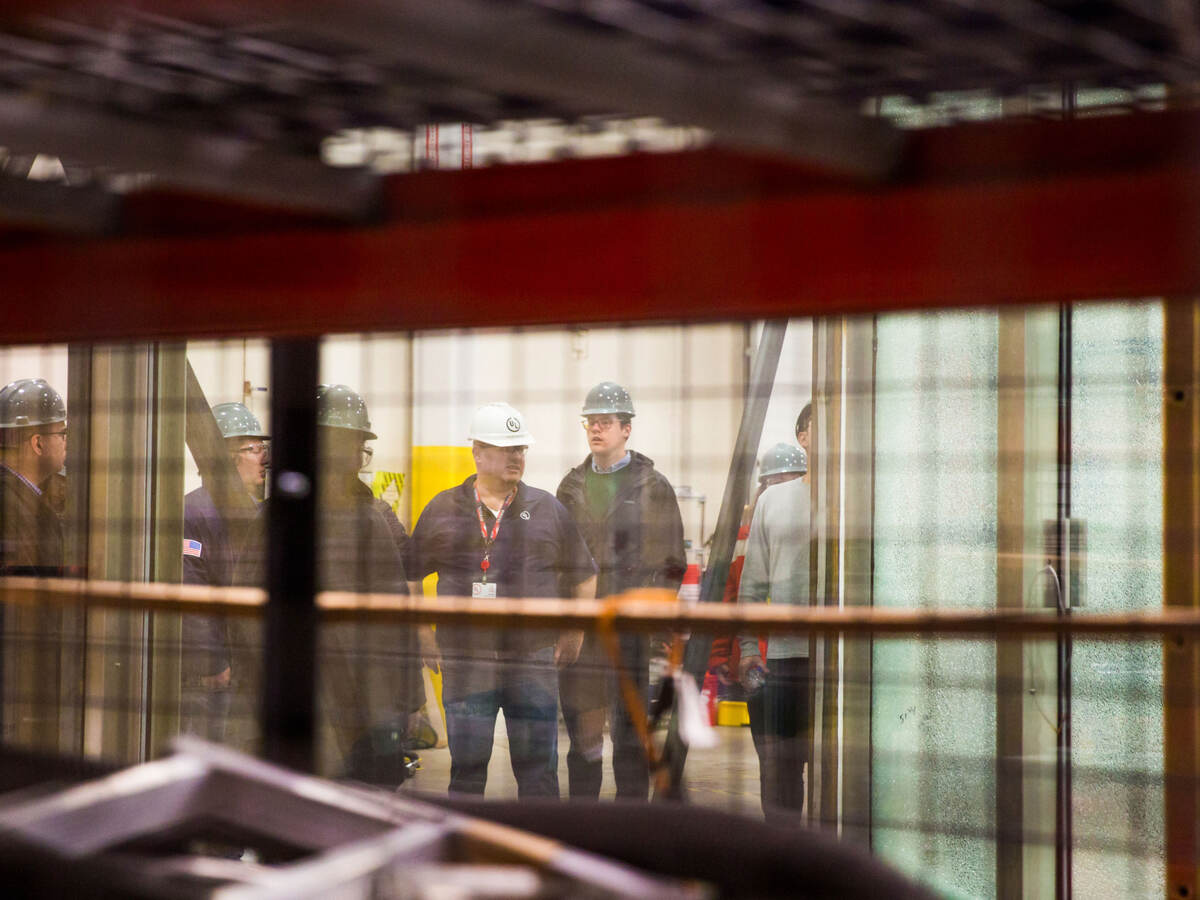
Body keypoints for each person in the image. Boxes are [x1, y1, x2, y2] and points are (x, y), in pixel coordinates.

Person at [235, 384, 423, 783]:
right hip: (306, 703)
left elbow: (397, 615)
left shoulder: (369, 518)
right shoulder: (276, 521)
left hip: (366, 705)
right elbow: (248, 617)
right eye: (349, 446)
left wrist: (408, 700)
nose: (356, 459)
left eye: (359, 448)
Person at [408, 402, 596, 798]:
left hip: (532, 659)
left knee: (538, 771)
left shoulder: (547, 508)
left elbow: (585, 574)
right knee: (468, 768)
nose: (517, 457)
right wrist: (423, 634)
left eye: (521, 449)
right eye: (506, 448)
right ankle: (465, 852)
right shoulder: (444, 508)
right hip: (466, 658)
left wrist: (575, 631)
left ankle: (541, 850)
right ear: (477, 452)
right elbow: (410, 575)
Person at [555, 381, 686, 800]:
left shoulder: (653, 487)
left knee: (629, 734)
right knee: (584, 734)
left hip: (630, 630)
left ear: (626, 429)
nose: (596, 429)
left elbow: (672, 564)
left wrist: (654, 617)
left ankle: (630, 827)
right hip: (583, 628)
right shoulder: (570, 488)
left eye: (606, 422)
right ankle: (584, 828)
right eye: (591, 422)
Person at [180, 402, 269, 741]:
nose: (263, 457)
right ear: (228, 456)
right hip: (218, 674)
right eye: (253, 448)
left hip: (247, 668)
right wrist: (212, 662)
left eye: (263, 448)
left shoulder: (256, 512)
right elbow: (191, 589)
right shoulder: (195, 511)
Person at [736, 443, 812, 822]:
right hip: (779, 661)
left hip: (841, 658)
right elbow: (743, 585)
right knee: (778, 765)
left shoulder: (858, 497)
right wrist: (745, 651)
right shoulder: (769, 511)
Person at [708, 443, 806, 687]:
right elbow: (728, 596)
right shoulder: (741, 539)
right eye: (768, 484)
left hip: (790, 651)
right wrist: (719, 653)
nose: (773, 490)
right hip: (750, 659)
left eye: (783, 481)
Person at [0, 378, 67, 575]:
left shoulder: (22, 495)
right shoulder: (9, 506)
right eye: (63, 433)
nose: (66, 442)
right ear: (38, 443)